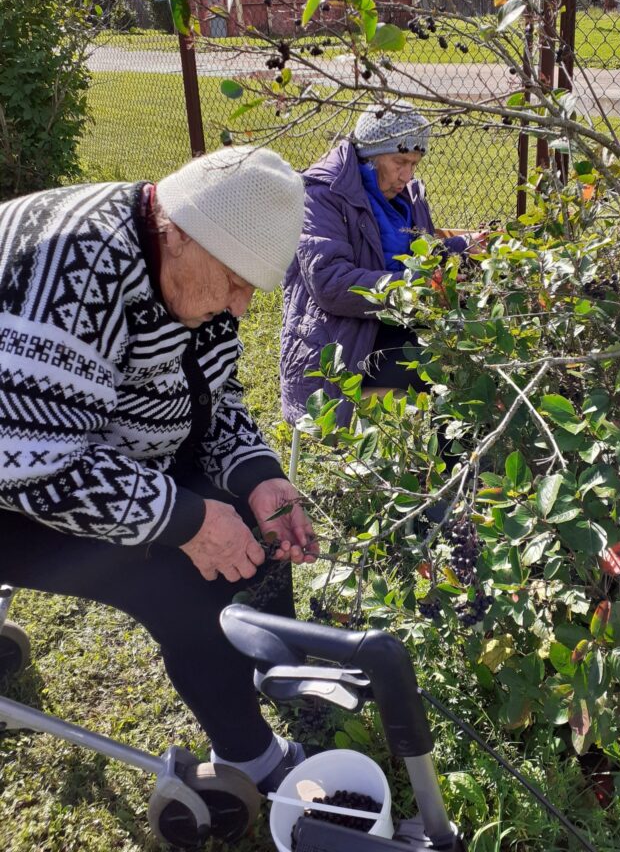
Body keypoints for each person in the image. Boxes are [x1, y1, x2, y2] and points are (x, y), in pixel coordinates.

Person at [0, 145, 319, 795]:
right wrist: (184, 520)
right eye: (233, 283)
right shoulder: (74, 268)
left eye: (250, 290)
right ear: (176, 234)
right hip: (18, 467)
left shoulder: (198, 257)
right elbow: (30, 465)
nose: (238, 309)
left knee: (253, 532)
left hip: (74, 443)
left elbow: (214, 399)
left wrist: (257, 475)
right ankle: (250, 763)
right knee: (174, 573)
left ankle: (269, 662)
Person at [281, 102, 484, 427]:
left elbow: (421, 259)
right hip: (342, 346)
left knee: (469, 356)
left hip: (395, 325)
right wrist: (417, 288)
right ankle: (435, 471)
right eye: (400, 161)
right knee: (441, 371)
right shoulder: (321, 194)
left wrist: (463, 247)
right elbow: (332, 284)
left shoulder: (405, 198)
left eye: (415, 163)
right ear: (370, 155)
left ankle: (452, 469)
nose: (407, 175)